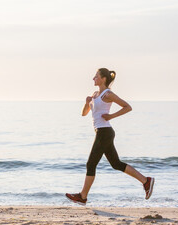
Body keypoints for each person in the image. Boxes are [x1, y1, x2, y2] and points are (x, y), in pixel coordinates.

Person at [65, 68, 154, 206]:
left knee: (91, 164)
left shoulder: (108, 94)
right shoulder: (95, 95)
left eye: (96, 76)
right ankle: (146, 181)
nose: (93, 78)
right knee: (116, 164)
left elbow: (127, 107)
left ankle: (83, 196)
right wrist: (86, 102)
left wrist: (111, 116)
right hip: (101, 132)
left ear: (103, 79)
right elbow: (84, 114)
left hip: (104, 132)